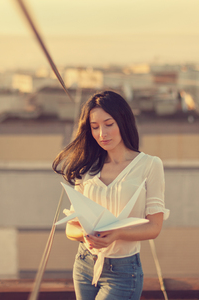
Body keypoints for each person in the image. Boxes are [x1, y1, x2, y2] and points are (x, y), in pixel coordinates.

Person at [52, 90, 169, 300]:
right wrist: (87, 237)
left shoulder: (149, 165)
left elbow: (154, 227)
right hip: (84, 265)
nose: (101, 134)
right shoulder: (86, 168)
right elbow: (72, 228)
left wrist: (116, 235)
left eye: (109, 124)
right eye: (94, 127)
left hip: (123, 271)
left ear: (123, 121)